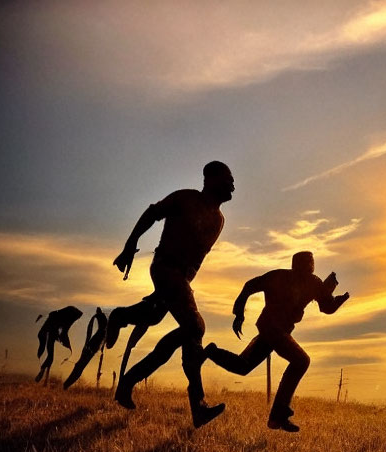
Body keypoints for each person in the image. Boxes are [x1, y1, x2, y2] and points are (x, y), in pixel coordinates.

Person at [111, 160, 234, 427]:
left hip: (181, 279)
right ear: (210, 180)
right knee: (195, 326)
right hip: (164, 268)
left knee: (166, 324)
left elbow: (197, 258)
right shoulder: (185, 199)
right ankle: (197, 403)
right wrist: (130, 244)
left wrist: (183, 285)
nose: (233, 185)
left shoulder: (218, 220)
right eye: (228, 179)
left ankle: (126, 373)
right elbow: (151, 214)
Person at [205, 250, 349, 432]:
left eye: (311, 264)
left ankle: (211, 351)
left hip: (277, 331)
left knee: (242, 366)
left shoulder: (314, 283)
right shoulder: (280, 276)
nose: (309, 267)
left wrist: (339, 299)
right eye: (305, 263)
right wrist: (239, 313)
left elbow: (326, 307)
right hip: (271, 328)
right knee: (301, 361)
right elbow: (249, 286)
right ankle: (277, 415)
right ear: (295, 265)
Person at [35, 305, 83, 383]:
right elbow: (63, 333)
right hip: (48, 333)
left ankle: (44, 375)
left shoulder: (57, 314)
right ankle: (43, 373)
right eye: (76, 318)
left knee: (49, 356)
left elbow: (63, 333)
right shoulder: (64, 318)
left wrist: (67, 345)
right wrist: (68, 346)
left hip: (47, 333)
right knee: (49, 356)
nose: (76, 320)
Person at [63, 307, 108, 389]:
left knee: (79, 366)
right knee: (80, 366)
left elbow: (90, 332)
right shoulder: (102, 327)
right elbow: (91, 332)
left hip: (92, 346)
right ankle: (66, 385)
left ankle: (66, 385)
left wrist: (87, 345)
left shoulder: (101, 326)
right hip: (92, 346)